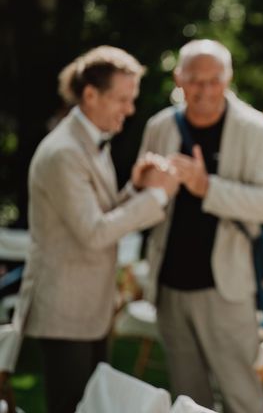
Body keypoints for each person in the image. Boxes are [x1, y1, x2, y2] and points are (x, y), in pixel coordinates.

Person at [13, 46, 178, 413]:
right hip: (64, 310)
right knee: (71, 407)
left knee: (91, 405)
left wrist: (134, 188)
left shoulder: (92, 142)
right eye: (122, 99)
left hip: (90, 309)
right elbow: (94, 232)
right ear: (90, 95)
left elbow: (97, 213)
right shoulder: (64, 152)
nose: (130, 110)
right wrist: (155, 197)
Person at [138, 39, 263, 413]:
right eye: (194, 81)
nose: (203, 91)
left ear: (228, 78)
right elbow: (142, 201)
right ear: (178, 78)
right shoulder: (159, 126)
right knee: (187, 399)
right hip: (169, 285)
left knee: (242, 396)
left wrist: (207, 188)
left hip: (227, 287)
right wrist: (138, 185)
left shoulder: (253, 128)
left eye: (213, 81)